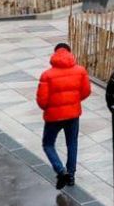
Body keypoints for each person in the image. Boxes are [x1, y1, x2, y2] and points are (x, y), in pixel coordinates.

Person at [35, 42, 91, 189]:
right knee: (72, 143)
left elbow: (42, 101)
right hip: (73, 115)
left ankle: (61, 170)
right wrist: (73, 101)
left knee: (48, 144)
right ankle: (71, 176)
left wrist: (51, 107)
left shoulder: (47, 75)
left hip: (53, 118)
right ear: (70, 53)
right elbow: (86, 91)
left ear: (55, 54)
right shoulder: (80, 71)